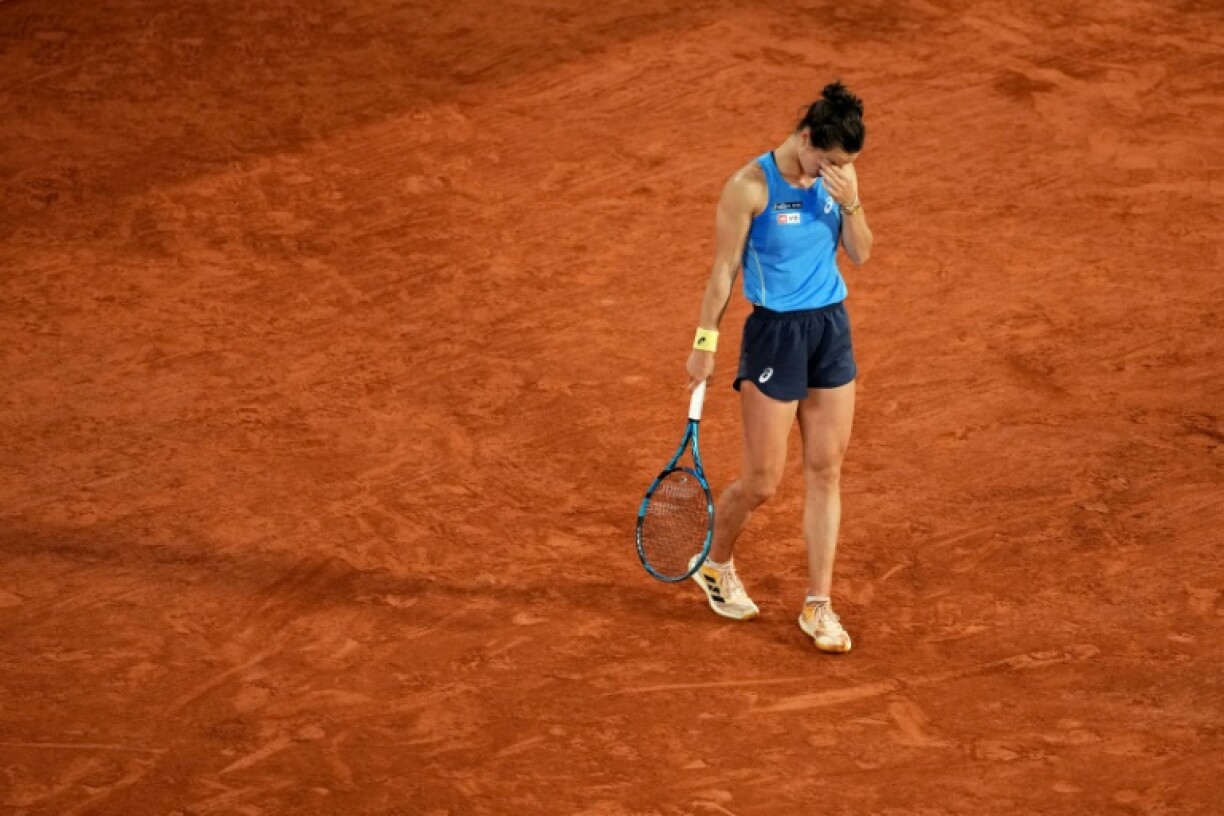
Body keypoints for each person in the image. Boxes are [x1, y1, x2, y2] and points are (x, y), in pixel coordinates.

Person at [685, 81, 873, 653]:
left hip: (830, 331)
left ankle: (819, 605)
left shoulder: (838, 183)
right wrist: (705, 342)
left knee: (826, 470)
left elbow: (861, 252)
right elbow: (722, 273)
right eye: (830, 161)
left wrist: (851, 198)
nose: (835, 171)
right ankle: (714, 562)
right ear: (806, 138)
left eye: (846, 166)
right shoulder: (749, 187)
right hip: (774, 337)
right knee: (764, 481)